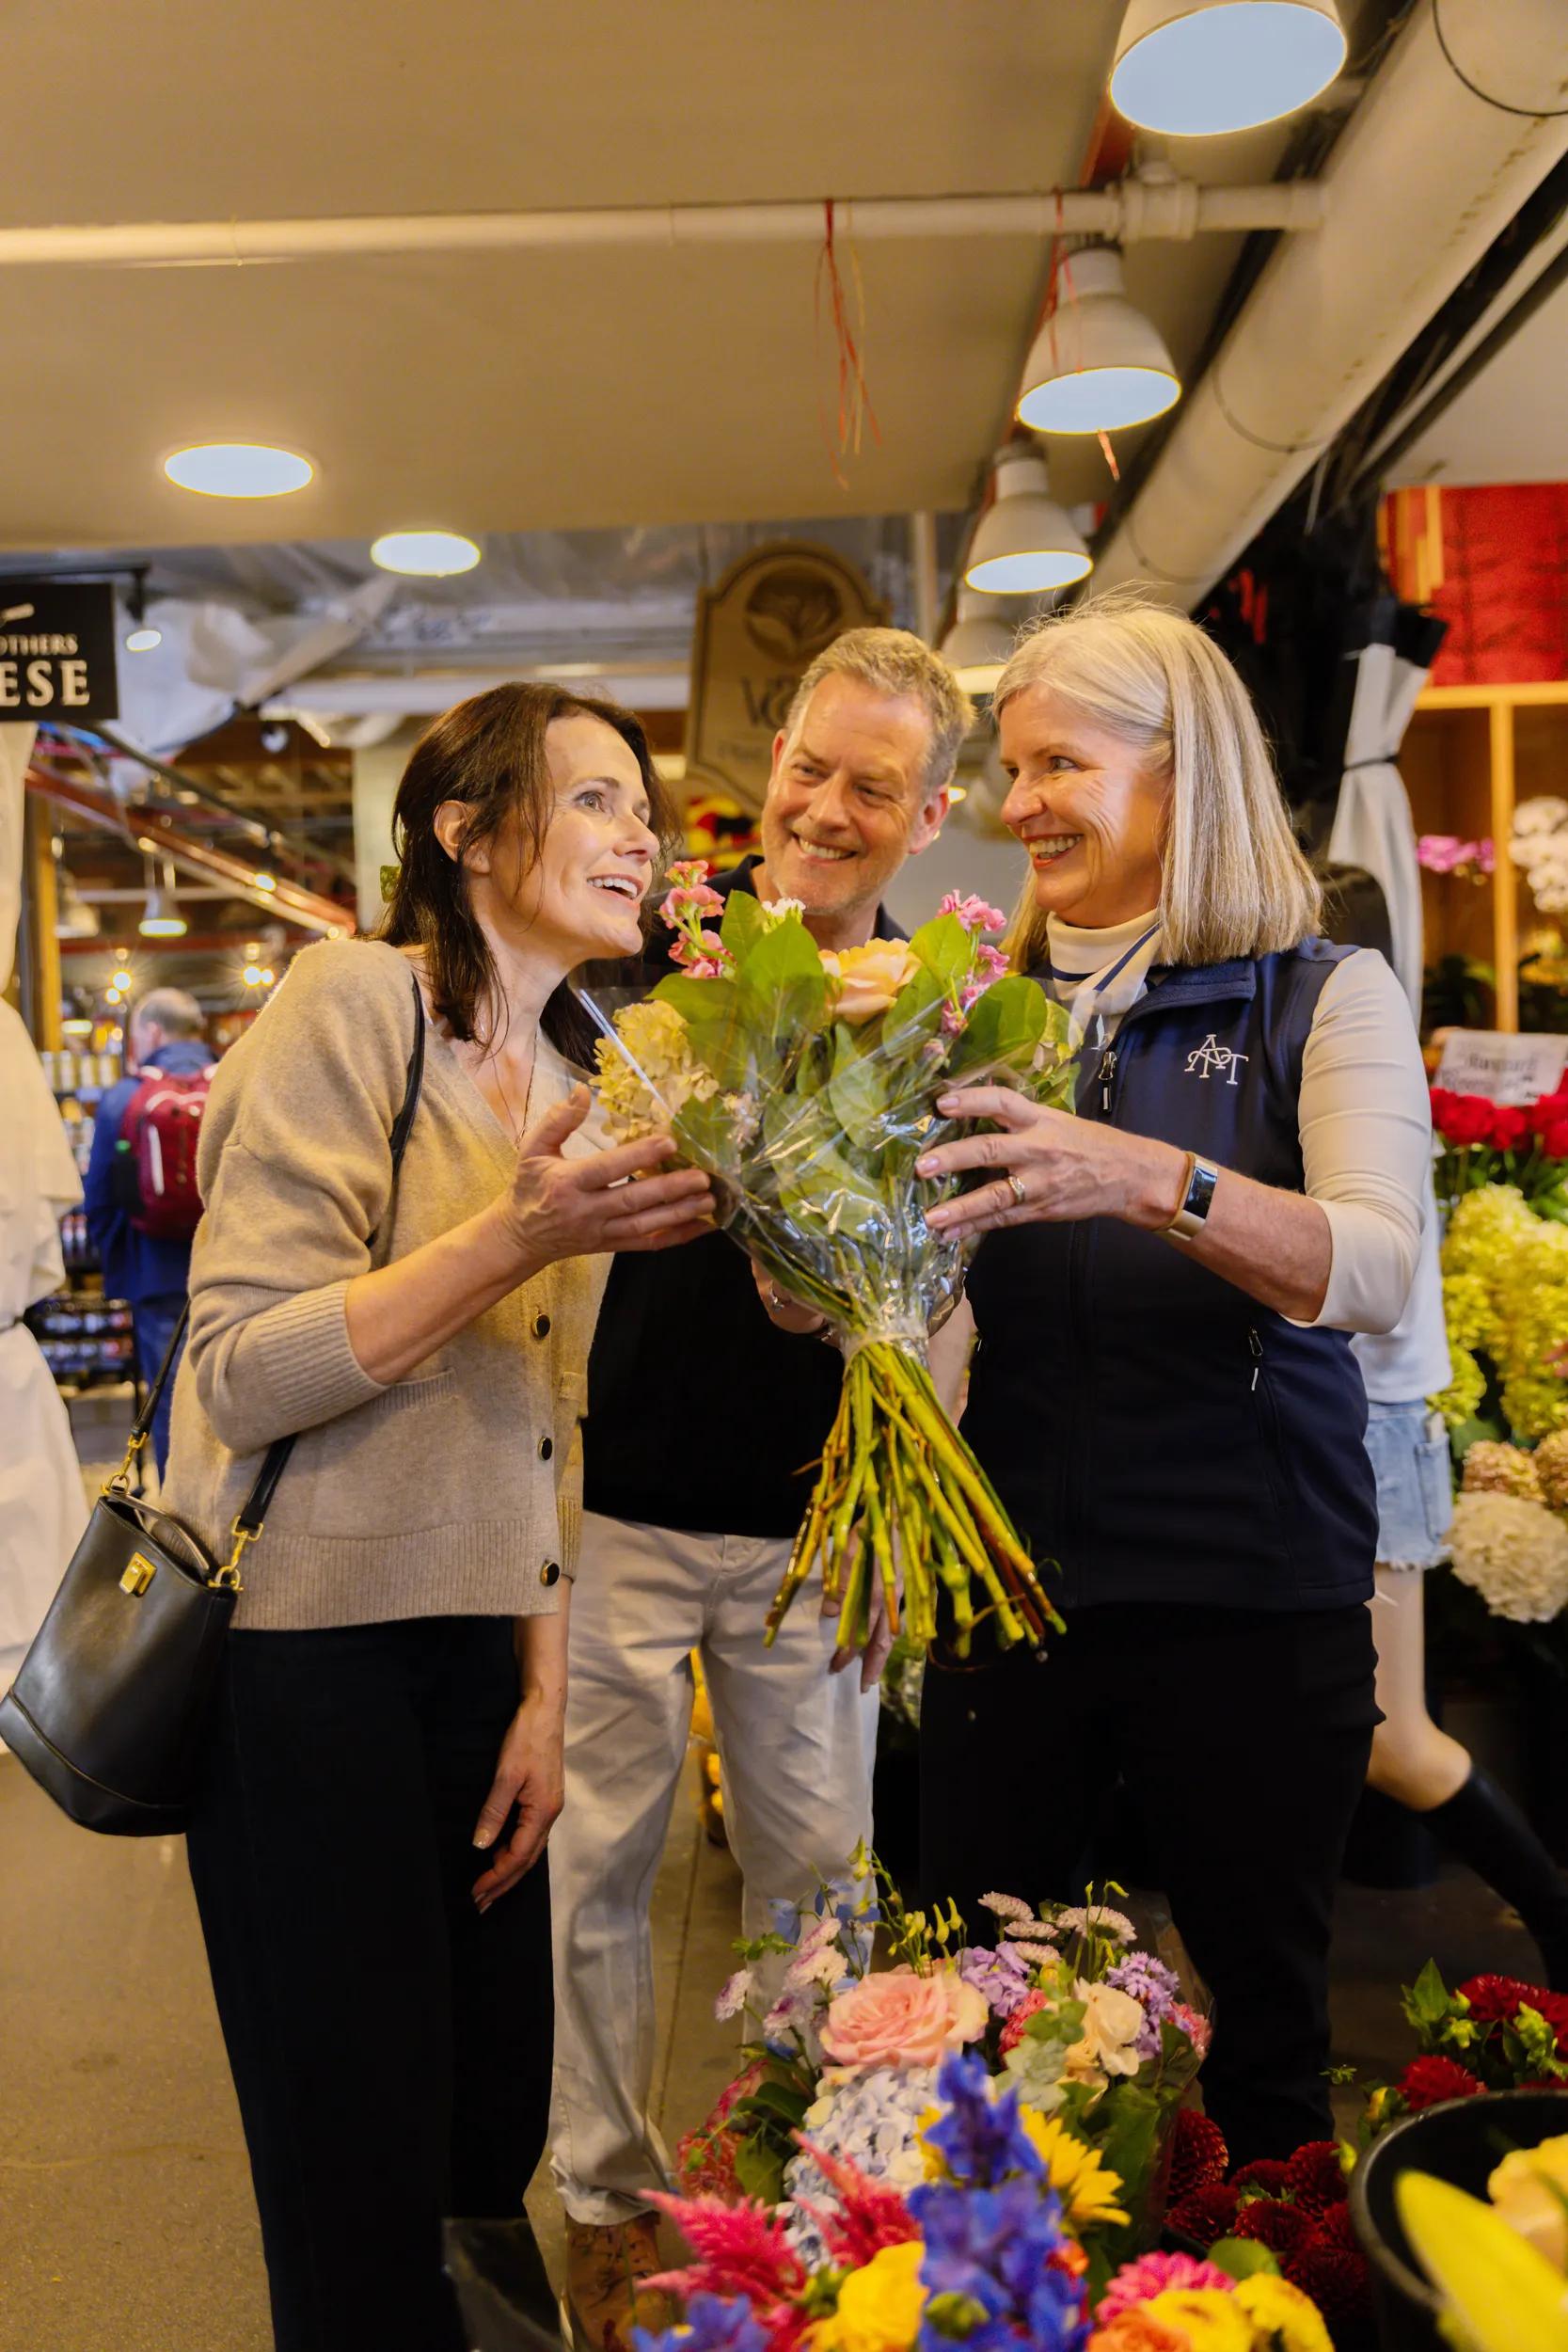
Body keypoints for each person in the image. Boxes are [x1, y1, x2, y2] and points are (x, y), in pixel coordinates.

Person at [161, 684, 713, 2352]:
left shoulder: (576, 1066)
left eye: (644, 807)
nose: (644, 838)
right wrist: (515, 1239)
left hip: (479, 1662)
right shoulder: (355, 1004)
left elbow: (548, 1414)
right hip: (301, 1667)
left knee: (482, 2133)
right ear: (464, 835)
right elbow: (243, 1369)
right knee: (354, 2162)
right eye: (600, 799)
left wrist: (543, 1690)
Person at [898, 596, 1433, 2164]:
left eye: (1059, 761)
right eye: (1012, 767)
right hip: (1009, 1593)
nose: (1018, 806)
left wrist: (1147, 1179)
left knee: (1265, 2048)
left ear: (1180, 772)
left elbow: (1378, 1267)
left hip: (1250, 1595)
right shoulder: (973, 1010)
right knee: (981, 2043)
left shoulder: (1316, 992)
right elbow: (923, 1289)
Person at [551, 628, 972, 2350]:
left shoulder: (948, 1012)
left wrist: (899, 1500)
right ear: (769, 759)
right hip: (623, 1507)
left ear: (930, 814)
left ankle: (815, 2189)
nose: (826, 807)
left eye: (874, 787)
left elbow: (953, 1284)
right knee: (599, 1868)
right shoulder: (663, 953)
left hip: (814, 1523)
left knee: (819, 1870)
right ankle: (599, 2193)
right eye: (810, 765)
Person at [82, 984, 214, 1479]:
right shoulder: (241, 1079)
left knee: (170, 1405)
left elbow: (98, 1196)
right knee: (235, 1397)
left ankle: (180, 1531)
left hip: (155, 1276)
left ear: (152, 1030)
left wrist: (123, 1265)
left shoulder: (123, 1097)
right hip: (230, 1267)